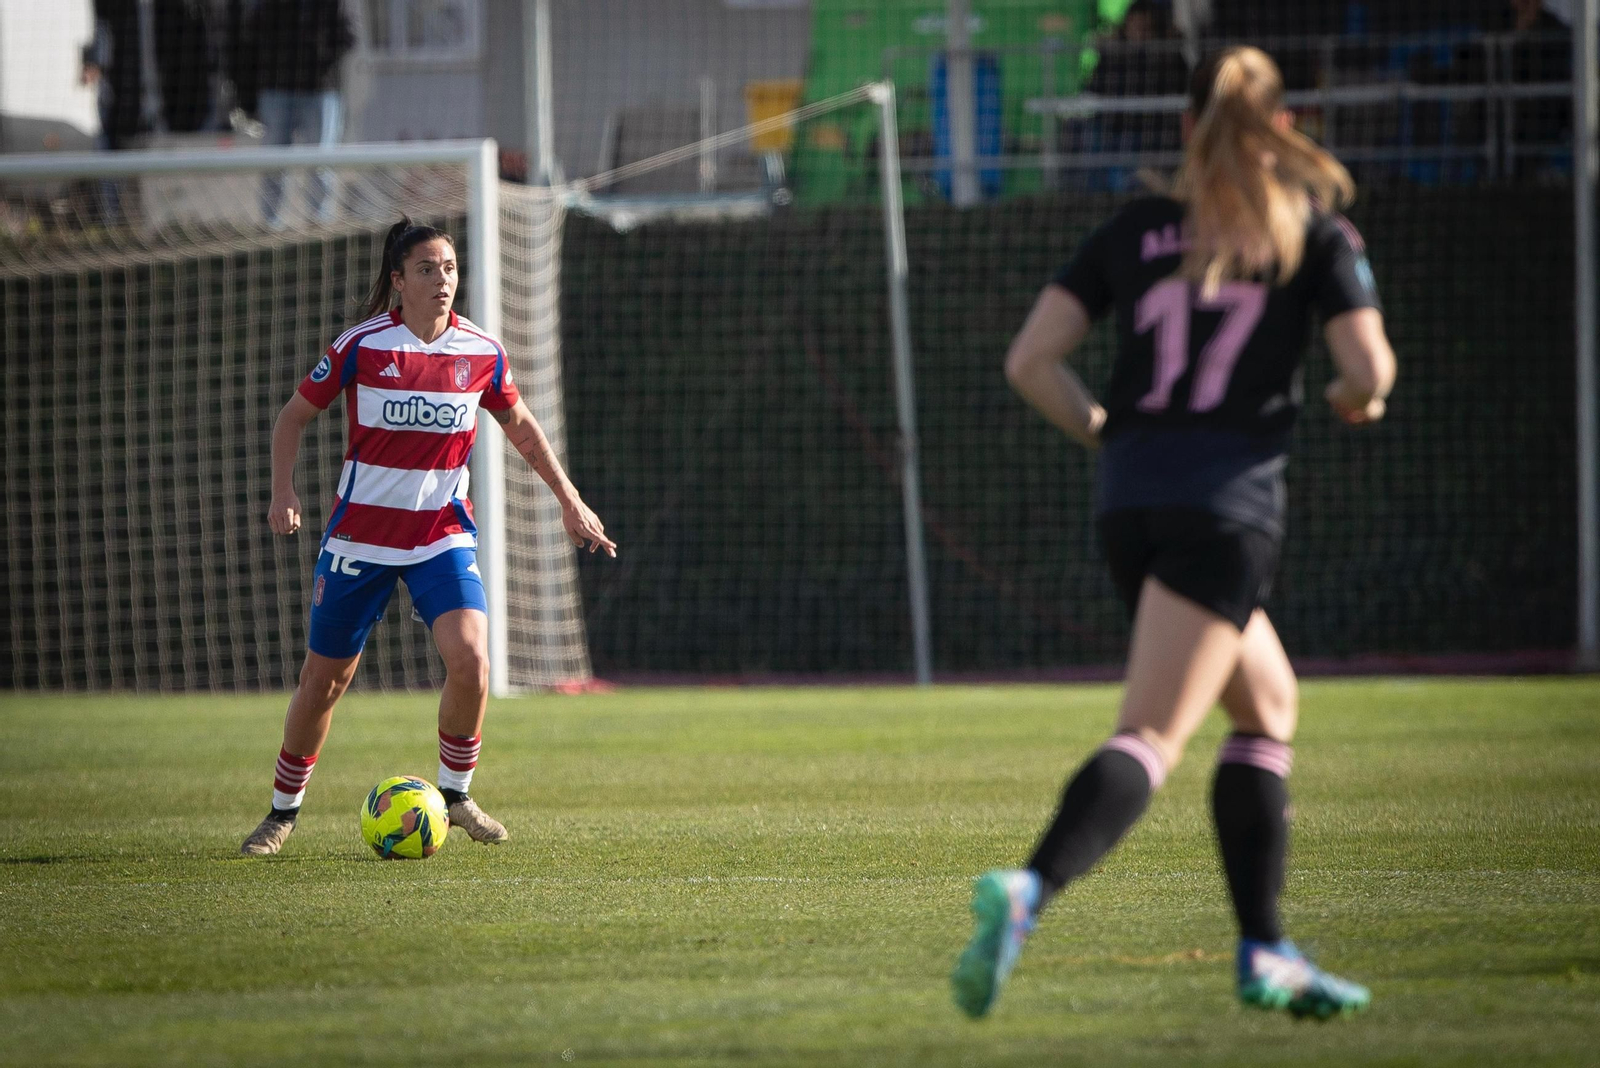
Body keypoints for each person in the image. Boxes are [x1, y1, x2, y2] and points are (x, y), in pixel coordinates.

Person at [951, 46, 1395, 1020]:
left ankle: (1266, 952)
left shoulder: (1134, 228)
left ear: (1185, 126)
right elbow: (1369, 371)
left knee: (1266, 703)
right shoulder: (1308, 234)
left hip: (1130, 504)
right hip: (1225, 513)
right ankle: (1032, 890)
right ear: (1281, 126)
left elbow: (1032, 360)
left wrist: (1104, 431)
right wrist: (1351, 400)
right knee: (1151, 734)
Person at [240, 217, 616, 856]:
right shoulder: (363, 345)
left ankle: (456, 795)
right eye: (426, 269)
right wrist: (284, 491)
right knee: (324, 681)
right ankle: (282, 812)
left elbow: (521, 426)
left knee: (471, 659)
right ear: (398, 280)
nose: (442, 280)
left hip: (442, 535)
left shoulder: (480, 352)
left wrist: (570, 501)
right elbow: (292, 417)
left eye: (448, 269)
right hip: (360, 540)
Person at [237, 0, 356, 225]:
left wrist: (321, 56)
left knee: (321, 161)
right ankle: (271, 225)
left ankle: (320, 223)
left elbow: (349, 35)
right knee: (274, 161)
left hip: (321, 89)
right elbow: (252, 33)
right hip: (276, 88)